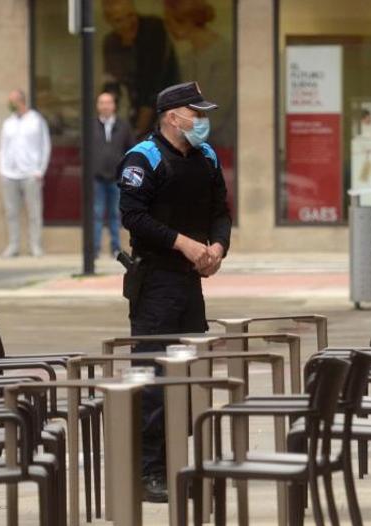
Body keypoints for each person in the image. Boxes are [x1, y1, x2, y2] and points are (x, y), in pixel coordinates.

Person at [119, 81, 231, 503]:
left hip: (190, 282)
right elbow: (133, 217)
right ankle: (149, 471)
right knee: (153, 378)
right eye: (195, 114)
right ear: (172, 117)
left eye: (203, 114)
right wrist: (183, 243)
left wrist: (217, 248)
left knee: (189, 376)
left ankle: (180, 462)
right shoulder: (143, 158)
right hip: (156, 282)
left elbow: (221, 212)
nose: (202, 121)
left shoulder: (206, 157)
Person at [102, 0, 181, 137]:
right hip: (134, 106)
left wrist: (138, 131)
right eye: (119, 20)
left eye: (131, 16)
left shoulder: (153, 29)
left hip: (165, 106)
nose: (129, 23)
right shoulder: (112, 42)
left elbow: (152, 80)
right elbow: (112, 83)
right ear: (110, 22)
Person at [164, 0, 234, 148]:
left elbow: (218, 111)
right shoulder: (189, 57)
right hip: (194, 138)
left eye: (169, 21)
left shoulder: (223, 55)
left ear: (184, 22)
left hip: (220, 143)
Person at [0, 89, 51, 258]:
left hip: (31, 173)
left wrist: (40, 170)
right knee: (11, 212)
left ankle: (35, 246)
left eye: (12, 100)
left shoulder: (36, 120)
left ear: (21, 101)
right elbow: (2, 147)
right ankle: (13, 245)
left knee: (34, 212)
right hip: (9, 174)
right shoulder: (8, 123)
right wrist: (2, 170)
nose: (9, 104)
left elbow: (45, 145)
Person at [92, 91, 135, 258]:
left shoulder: (123, 126)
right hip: (97, 178)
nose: (105, 106)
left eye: (108, 102)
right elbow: (85, 151)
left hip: (116, 179)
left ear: (114, 105)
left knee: (115, 214)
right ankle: (94, 249)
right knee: (96, 213)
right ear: (97, 106)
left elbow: (131, 150)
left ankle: (115, 248)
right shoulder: (91, 125)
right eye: (102, 103)